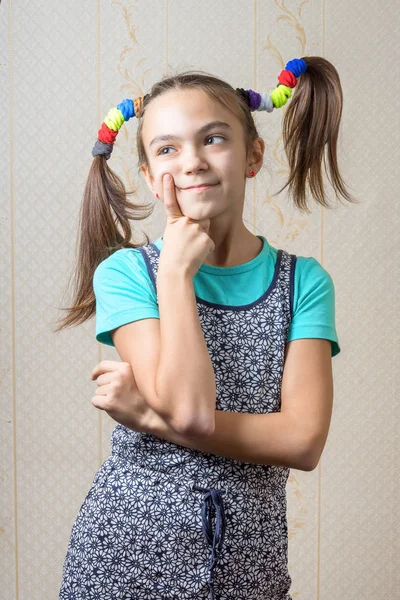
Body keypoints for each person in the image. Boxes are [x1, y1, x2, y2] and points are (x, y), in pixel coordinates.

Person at [55, 57, 357, 599]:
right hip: (124, 561)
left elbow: (303, 441)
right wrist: (174, 273)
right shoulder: (128, 274)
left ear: (253, 156)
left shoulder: (304, 283)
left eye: (214, 139)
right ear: (149, 176)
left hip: (251, 570)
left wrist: (149, 416)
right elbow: (191, 410)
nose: (192, 162)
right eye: (167, 149)